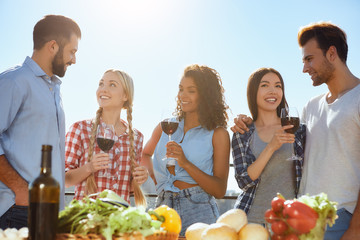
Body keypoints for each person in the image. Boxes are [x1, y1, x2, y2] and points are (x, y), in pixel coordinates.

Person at [231, 22, 360, 239]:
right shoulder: (311, 106)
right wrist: (245, 120)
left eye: (309, 59)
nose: (304, 68)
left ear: (331, 53)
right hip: (300, 218)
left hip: (339, 217)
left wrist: (356, 228)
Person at [0, 15, 81, 230]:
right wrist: (21, 190)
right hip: (18, 211)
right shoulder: (14, 81)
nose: (74, 60)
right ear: (53, 46)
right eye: (72, 51)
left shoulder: (53, 89)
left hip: (49, 210)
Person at [142, 64, 230, 236]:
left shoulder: (218, 134)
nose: (183, 95)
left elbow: (219, 190)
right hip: (162, 208)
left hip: (198, 211)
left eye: (191, 90)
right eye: (181, 89)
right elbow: (145, 154)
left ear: (206, 95)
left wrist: (185, 163)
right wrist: (155, 180)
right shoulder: (165, 126)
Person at [232, 67, 306, 225]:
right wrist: (271, 147)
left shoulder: (298, 130)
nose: (273, 91)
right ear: (253, 92)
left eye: (278, 86)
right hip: (251, 220)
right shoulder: (243, 132)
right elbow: (244, 181)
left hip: (289, 222)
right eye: (264, 85)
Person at [65, 69, 148, 206]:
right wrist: (89, 167)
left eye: (112, 85)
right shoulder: (80, 129)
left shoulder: (136, 137)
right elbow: (66, 179)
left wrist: (140, 178)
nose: (103, 89)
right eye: (101, 84)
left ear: (125, 96)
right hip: (87, 216)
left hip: (120, 219)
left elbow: (128, 187)